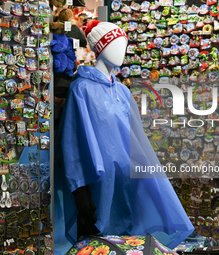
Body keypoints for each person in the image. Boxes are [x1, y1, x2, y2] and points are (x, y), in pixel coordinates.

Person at [54, 21, 194, 254]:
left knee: (130, 243)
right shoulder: (82, 89)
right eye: (115, 44)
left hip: (130, 185)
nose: (121, 51)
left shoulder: (122, 92)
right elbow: (72, 143)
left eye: (123, 45)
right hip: (99, 187)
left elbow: (136, 140)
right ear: (100, 47)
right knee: (100, 245)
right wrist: (79, 189)